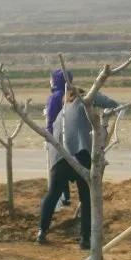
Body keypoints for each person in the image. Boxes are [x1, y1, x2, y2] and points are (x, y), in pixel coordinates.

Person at [37, 86, 118, 249]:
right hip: (80, 154)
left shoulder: (62, 112)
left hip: (59, 157)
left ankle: (41, 231)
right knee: (87, 198)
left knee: (53, 194)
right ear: (81, 95)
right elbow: (111, 103)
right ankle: (85, 239)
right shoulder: (83, 104)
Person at [45, 69, 73, 209]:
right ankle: (66, 197)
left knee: (56, 168)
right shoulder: (70, 95)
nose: (50, 81)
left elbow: (50, 119)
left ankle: (59, 200)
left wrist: (48, 137)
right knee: (64, 166)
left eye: (52, 79)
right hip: (68, 137)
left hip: (56, 138)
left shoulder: (55, 97)